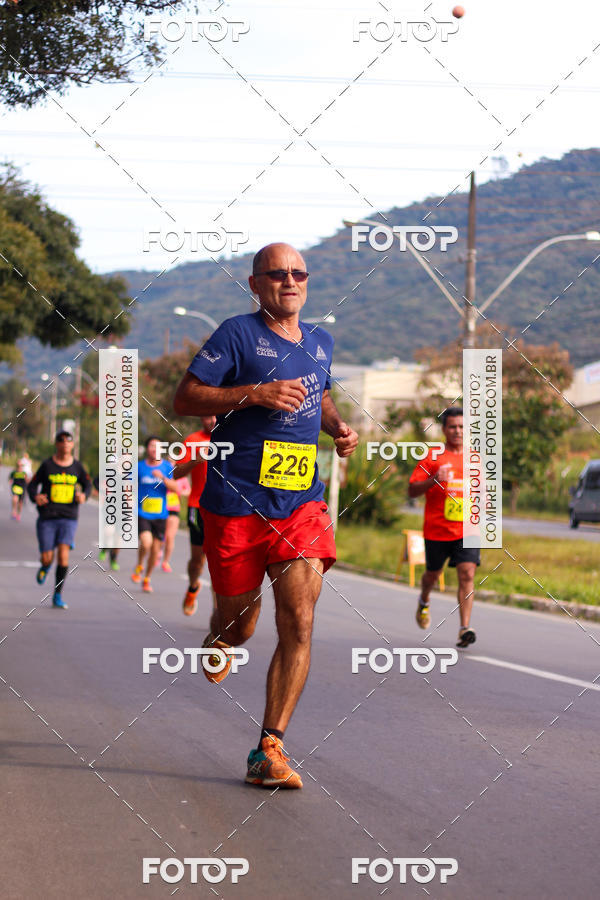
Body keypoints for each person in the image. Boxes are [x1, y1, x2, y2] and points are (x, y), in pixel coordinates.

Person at [174, 242, 358, 789]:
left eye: (299, 273)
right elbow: (186, 397)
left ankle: (269, 749)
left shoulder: (320, 341)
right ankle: (219, 641)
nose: (290, 281)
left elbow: (318, 397)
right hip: (235, 505)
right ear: (255, 284)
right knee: (241, 625)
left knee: (299, 618)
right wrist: (253, 393)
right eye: (277, 274)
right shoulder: (235, 333)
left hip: (300, 501)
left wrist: (338, 428)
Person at [408, 407, 478, 648]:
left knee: (467, 573)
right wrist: (435, 479)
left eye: (461, 427)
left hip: (467, 530)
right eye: (452, 427)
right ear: (444, 429)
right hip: (437, 530)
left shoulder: (476, 458)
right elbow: (412, 490)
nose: (457, 431)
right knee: (432, 576)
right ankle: (424, 600)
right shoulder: (433, 457)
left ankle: (464, 628)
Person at [27, 431, 91, 609]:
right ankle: (45, 566)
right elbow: (32, 485)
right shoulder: (47, 465)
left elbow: (87, 485)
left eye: (68, 442)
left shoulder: (77, 467)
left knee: (63, 557)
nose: (65, 445)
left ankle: (57, 594)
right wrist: (36, 497)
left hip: (68, 517)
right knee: (47, 557)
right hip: (47, 516)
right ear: (56, 444)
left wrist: (84, 496)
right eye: (61, 442)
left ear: (72, 445)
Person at [171, 416, 216, 616]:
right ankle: (192, 586)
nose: (212, 420)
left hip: (224, 509)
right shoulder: (192, 440)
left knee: (220, 561)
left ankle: (218, 610)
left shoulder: (232, 438)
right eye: (207, 415)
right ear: (201, 418)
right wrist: (195, 460)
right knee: (198, 560)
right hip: (197, 507)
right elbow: (176, 473)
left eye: (215, 415)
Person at [131, 436, 179, 593]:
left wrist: (163, 478)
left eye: (158, 447)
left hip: (161, 514)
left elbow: (175, 487)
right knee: (146, 543)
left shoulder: (166, 467)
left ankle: (147, 578)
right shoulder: (139, 467)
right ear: (147, 449)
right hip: (142, 512)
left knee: (155, 550)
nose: (154, 449)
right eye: (152, 446)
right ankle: (139, 564)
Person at [161, 460, 191, 573]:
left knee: (170, 537)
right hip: (160, 509)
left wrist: (180, 492)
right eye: (168, 461)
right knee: (160, 537)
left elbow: (188, 490)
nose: (171, 464)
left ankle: (165, 561)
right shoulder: (162, 475)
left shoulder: (181, 477)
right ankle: (158, 551)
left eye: (173, 462)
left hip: (173, 509)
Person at [93, 475, 120, 571]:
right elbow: (96, 481)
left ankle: (113, 560)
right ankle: (104, 548)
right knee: (108, 532)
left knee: (118, 539)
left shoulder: (130, 474)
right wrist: (102, 491)